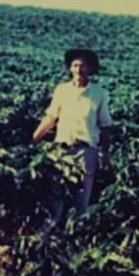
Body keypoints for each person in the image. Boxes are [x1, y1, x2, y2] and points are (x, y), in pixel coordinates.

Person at [32, 48, 113, 232]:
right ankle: (48, 238)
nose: (79, 69)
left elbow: (105, 126)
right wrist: (35, 138)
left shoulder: (99, 94)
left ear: (90, 69)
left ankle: (77, 236)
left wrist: (105, 154)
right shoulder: (62, 91)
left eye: (83, 66)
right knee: (55, 198)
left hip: (85, 152)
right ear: (70, 68)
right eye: (75, 65)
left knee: (81, 201)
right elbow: (51, 117)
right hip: (60, 151)